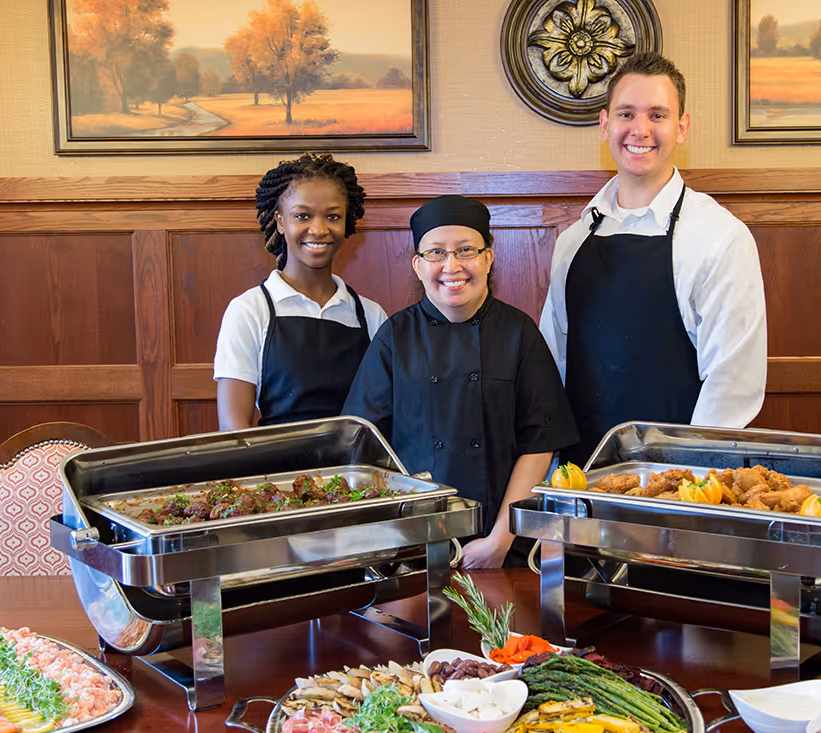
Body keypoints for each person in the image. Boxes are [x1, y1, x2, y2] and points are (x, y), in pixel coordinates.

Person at [539, 52, 767, 464]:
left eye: (657, 115)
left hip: (677, 488)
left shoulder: (719, 237)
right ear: (606, 124)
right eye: (626, 113)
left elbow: (733, 384)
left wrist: (685, 486)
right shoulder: (572, 241)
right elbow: (553, 362)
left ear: (682, 128)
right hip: (582, 480)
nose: (639, 130)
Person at [343, 195, 579, 568]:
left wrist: (500, 540)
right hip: (414, 543)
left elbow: (540, 443)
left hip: (505, 541)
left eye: (466, 249)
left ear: (488, 257)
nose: (451, 266)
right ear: (418, 266)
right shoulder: (394, 337)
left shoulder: (519, 333)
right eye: (436, 253)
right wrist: (408, 536)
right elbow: (367, 449)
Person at [214, 154, 388, 429]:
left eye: (333, 216)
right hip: (275, 470)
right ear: (280, 221)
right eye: (302, 216)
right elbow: (234, 430)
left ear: (347, 222)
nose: (318, 229)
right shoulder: (249, 310)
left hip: (353, 470)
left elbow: (383, 414)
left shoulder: (370, 314)